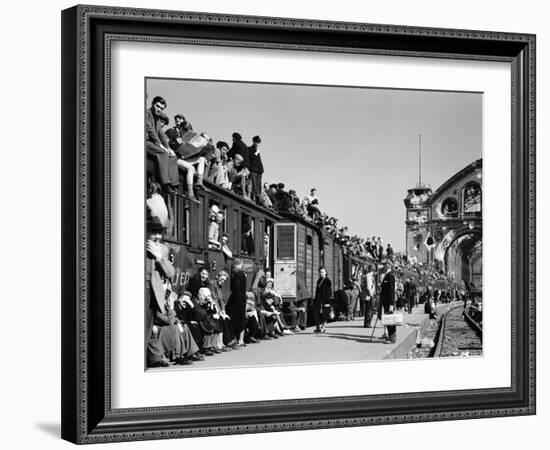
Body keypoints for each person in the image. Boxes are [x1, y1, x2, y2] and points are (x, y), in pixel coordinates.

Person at [145, 96, 180, 194]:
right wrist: (160, 145)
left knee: (172, 156)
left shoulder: (157, 119)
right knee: (163, 153)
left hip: (153, 143)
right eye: (157, 106)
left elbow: (161, 134)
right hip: (146, 142)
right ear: (152, 104)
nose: (159, 109)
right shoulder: (146, 113)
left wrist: (169, 148)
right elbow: (150, 131)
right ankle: (165, 184)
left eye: (161, 108)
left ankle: (174, 184)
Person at [226, 260, 248, 347]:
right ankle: (241, 339)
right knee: (241, 318)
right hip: (242, 299)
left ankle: (236, 338)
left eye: (234, 267)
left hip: (237, 300)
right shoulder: (243, 274)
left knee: (236, 318)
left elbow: (235, 287)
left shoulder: (239, 274)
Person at [379, 262, 397, 343]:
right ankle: (390, 337)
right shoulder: (387, 275)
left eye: (384, 266)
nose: (383, 267)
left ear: (388, 266)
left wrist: (391, 304)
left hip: (388, 302)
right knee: (388, 320)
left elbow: (391, 291)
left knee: (390, 321)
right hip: (385, 302)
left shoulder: (390, 276)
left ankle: (392, 338)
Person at [313, 267, 332, 334]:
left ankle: (323, 328)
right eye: (320, 272)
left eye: (322, 272)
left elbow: (329, 292)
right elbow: (317, 291)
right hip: (318, 300)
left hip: (325, 300)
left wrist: (327, 301)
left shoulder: (327, 281)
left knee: (325, 315)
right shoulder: (319, 280)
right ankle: (318, 327)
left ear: (326, 273)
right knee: (316, 314)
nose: (321, 273)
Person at [248, 136, 264, 203]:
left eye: (258, 142)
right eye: (257, 142)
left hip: (259, 170)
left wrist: (262, 170)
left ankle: (258, 200)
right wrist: (256, 152)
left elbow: (259, 161)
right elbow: (250, 157)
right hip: (253, 169)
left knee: (258, 186)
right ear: (254, 141)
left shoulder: (257, 150)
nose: (258, 144)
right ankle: (253, 199)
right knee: (254, 185)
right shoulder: (249, 149)